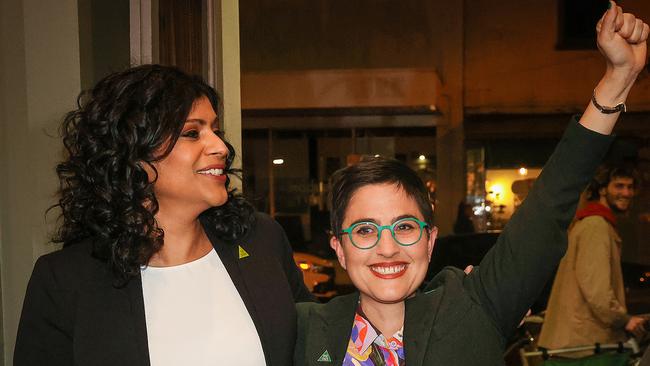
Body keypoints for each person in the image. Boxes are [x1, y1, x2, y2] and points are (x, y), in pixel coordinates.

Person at [294, 3, 648, 365]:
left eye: (404, 227)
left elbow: (549, 206)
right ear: (339, 247)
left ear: (430, 239)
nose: (388, 248)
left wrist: (617, 79)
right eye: (366, 230)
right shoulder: (305, 329)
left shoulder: (475, 305)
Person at [15, 65, 313, 366]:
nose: (221, 147)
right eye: (192, 133)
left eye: (217, 131)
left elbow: (316, 349)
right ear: (134, 154)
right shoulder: (66, 281)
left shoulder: (262, 241)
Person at [538, 164, 646, 353]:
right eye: (619, 186)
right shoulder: (596, 226)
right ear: (602, 189)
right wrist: (623, 319)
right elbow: (597, 289)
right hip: (586, 343)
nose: (626, 193)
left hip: (580, 342)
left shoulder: (592, 223)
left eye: (630, 187)